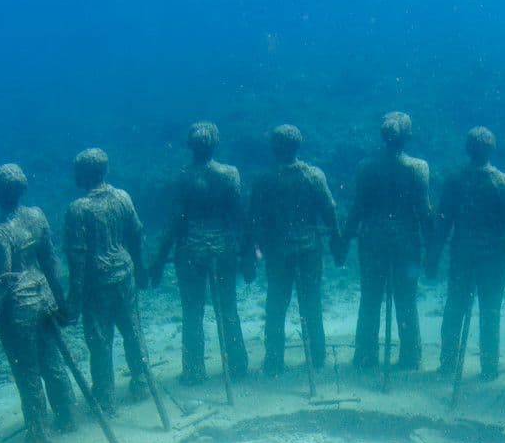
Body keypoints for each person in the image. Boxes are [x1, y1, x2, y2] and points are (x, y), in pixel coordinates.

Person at [149, 122, 250, 386]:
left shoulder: (181, 177)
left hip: (190, 251)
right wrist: (249, 252)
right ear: (216, 144)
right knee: (227, 308)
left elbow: (173, 223)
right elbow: (240, 217)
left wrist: (159, 260)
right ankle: (238, 365)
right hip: (223, 248)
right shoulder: (230, 174)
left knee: (192, 313)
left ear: (190, 146)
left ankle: (194, 371)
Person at [0, 163, 74, 443]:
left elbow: (2, 285)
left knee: (28, 373)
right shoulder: (37, 216)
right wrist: (60, 301)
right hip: (43, 296)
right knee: (53, 363)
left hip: (19, 309)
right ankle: (67, 417)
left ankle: (40, 436)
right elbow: (50, 261)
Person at [429, 126, 505, 383]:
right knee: (490, 312)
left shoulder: (454, 180)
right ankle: (488, 367)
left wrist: (432, 256)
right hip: (493, 259)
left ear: (467, 149)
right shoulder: (504, 182)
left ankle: (448, 362)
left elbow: (442, 224)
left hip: (462, 255)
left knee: (455, 309)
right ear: (492, 150)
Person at [342, 111, 433, 372]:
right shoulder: (418, 168)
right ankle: (410, 357)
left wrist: (345, 239)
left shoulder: (365, 167)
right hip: (406, 243)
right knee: (406, 300)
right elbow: (424, 212)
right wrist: (432, 248)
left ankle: (365, 356)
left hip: (372, 242)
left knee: (370, 299)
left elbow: (357, 210)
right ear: (406, 136)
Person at [63, 149, 150, 414]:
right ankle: (142, 381)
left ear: (83, 175)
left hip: (96, 282)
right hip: (123, 273)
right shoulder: (122, 197)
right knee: (132, 328)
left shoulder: (78, 209)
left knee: (100, 339)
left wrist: (74, 300)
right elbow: (136, 234)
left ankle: (105, 395)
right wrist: (140, 268)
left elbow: (76, 258)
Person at [248, 124, 339, 375]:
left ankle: (274, 361)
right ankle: (317, 357)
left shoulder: (265, 180)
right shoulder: (313, 175)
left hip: (279, 252)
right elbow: (329, 210)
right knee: (311, 303)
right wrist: (336, 239)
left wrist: (253, 249)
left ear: (274, 148)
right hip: (309, 248)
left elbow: (254, 219)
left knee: (276, 305)